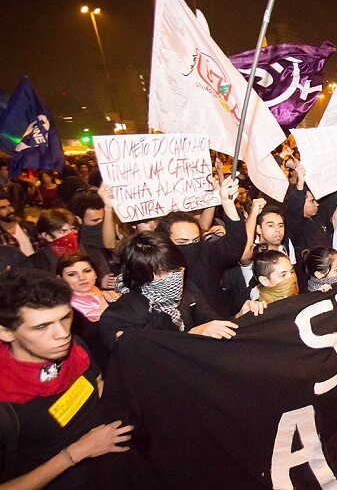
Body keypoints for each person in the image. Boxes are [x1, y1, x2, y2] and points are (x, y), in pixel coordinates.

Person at [0, 268, 132, 488]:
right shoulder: (5, 405)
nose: (62, 334)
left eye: (65, 317)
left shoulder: (75, 346)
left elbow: (97, 383)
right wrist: (76, 453)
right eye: (42, 327)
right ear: (5, 332)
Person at [99, 232, 256, 351]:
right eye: (162, 272)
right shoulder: (122, 314)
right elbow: (142, 356)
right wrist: (191, 336)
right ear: (140, 274)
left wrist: (239, 317)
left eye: (175, 269)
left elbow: (212, 321)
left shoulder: (187, 292)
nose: (173, 277)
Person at [155, 176, 247, 318]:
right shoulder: (155, 266)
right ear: (165, 241)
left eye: (195, 240)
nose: (190, 247)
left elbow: (234, 243)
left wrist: (227, 203)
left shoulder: (206, 252)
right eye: (181, 243)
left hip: (219, 326)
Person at [0, 192, 38, 258]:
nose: (9, 209)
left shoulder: (29, 227)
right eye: (3, 208)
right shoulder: (1, 236)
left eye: (9, 205)